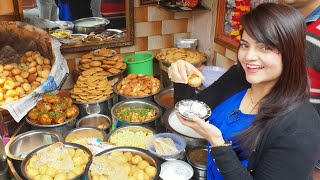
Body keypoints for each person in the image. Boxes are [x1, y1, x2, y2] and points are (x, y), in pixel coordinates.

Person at [168, 3, 320, 179]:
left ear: (291, 53)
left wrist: (218, 144)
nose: (249, 57)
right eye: (245, 45)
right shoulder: (239, 77)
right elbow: (192, 112)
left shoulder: (300, 125)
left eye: (265, 47)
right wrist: (181, 80)